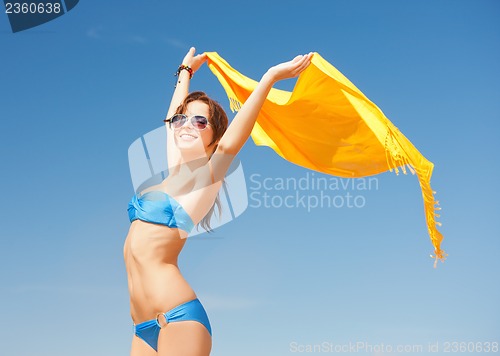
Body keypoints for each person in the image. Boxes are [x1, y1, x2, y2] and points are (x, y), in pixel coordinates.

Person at [124, 47, 313, 356]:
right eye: (184, 120)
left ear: (213, 138)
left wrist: (270, 78)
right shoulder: (172, 173)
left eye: (201, 122)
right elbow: (172, 116)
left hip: (176, 318)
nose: (187, 124)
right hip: (142, 326)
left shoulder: (205, 179)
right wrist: (185, 70)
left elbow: (230, 145)